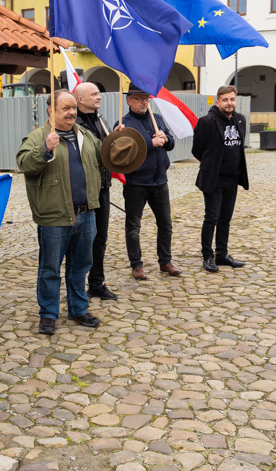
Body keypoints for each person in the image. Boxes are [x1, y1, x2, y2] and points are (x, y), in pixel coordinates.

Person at [16, 89, 102, 335]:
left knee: (81, 265)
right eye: (65, 108)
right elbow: (23, 164)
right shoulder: (39, 136)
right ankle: (48, 314)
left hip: (86, 214)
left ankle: (78, 309)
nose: (72, 112)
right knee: (50, 268)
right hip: (54, 216)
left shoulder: (85, 135)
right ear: (50, 110)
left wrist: (117, 142)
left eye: (74, 108)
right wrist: (44, 149)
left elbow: (105, 157)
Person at [114, 85, 179, 280]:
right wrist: (151, 144)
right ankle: (136, 265)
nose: (144, 102)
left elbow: (172, 144)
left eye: (146, 99)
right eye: (139, 98)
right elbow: (125, 154)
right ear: (129, 101)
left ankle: (165, 261)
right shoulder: (124, 124)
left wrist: (166, 138)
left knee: (165, 224)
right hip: (136, 182)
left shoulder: (156, 119)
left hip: (159, 181)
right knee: (133, 226)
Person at [192, 85, 249, 273]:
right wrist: (212, 165)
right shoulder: (207, 122)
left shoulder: (240, 120)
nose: (229, 103)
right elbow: (197, 150)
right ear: (218, 102)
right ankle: (208, 256)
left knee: (226, 219)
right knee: (211, 218)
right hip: (214, 180)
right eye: (225, 100)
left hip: (233, 179)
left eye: (232, 99)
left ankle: (222, 254)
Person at [74, 82, 117, 301]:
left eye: (99, 93)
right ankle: (76, 286)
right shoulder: (74, 124)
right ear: (80, 99)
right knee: (82, 241)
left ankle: (96, 283)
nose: (99, 97)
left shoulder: (101, 120)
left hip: (103, 187)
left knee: (100, 238)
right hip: (83, 190)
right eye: (94, 94)